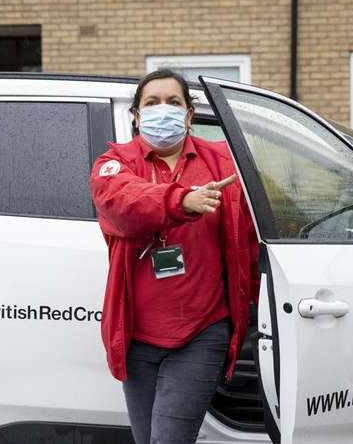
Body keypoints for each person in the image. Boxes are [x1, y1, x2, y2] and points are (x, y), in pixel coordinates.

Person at [88, 69, 259, 444]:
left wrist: (256, 304)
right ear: (135, 115)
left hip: (202, 331)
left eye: (173, 102)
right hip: (137, 337)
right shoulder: (114, 163)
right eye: (151, 103)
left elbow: (247, 239)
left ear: (189, 112)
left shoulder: (222, 163)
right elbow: (122, 204)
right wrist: (181, 200)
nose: (161, 110)